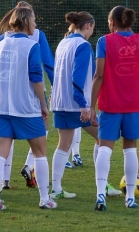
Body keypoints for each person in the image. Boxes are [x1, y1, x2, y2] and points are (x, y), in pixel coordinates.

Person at [0, 7, 57, 210]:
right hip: (26, 108)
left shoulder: (0, 44)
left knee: (0, 153)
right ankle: (44, 199)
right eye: (34, 19)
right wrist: (43, 104)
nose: (35, 23)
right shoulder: (31, 46)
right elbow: (36, 77)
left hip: (2, 108)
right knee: (40, 152)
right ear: (26, 22)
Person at [50, 11, 121, 199]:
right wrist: (84, 105)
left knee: (63, 144)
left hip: (59, 101)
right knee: (103, 138)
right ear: (88, 25)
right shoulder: (82, 45)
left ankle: (56, 188)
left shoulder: (63, 42)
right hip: (76, 104)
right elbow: (78, 77)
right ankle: (102, 185)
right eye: (93, 28)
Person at [90, 6, 139, 210]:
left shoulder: (104, 41)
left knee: (105, 148)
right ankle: (130, 196)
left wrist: (91, 105)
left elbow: (99, 75)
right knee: (130, 149)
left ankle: (100, 195)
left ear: (112, 22)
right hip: (134, 104)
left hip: (110, 103)